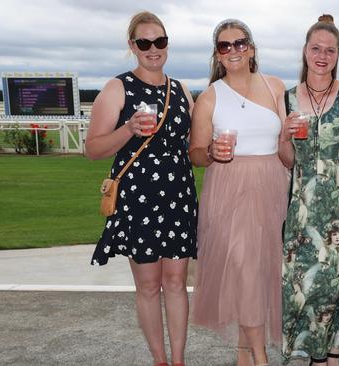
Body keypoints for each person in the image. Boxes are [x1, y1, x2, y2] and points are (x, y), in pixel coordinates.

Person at [85, 11, 197, 366]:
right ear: (132, 45)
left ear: (167, 44)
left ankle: (178, 360)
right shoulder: (117, 87)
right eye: (145, 42)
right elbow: (93, 149)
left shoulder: (179, 90)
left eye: (159, 41)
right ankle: (160, 360)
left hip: (178, 195)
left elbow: (193, 145)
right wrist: (129, 129)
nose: (153, 49)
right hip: (139, 199)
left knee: (177, 282)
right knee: (149, 285)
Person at [188, 19, 288, 366]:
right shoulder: (210, 97)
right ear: (217, 54)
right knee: (245, 268)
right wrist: (212, 151)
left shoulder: (275, 86)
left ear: (252, 48)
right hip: (229, 186)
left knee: (262, 272)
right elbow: (196, 153)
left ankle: (244, 354)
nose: (233, 50)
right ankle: (261, 357)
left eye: (239, 43)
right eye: (224, 45)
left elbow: (286, 144)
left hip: (272, 185)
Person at [279, 14, 339, 366]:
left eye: (330, 50)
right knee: (301, 285)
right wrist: (285, 135)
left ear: (337, 54)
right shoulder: (287, 98)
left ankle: (331, 356)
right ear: (304, 51)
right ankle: (310, 349)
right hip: (304, 207)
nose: (322, 55)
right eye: (315, 48)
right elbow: (286, 160)